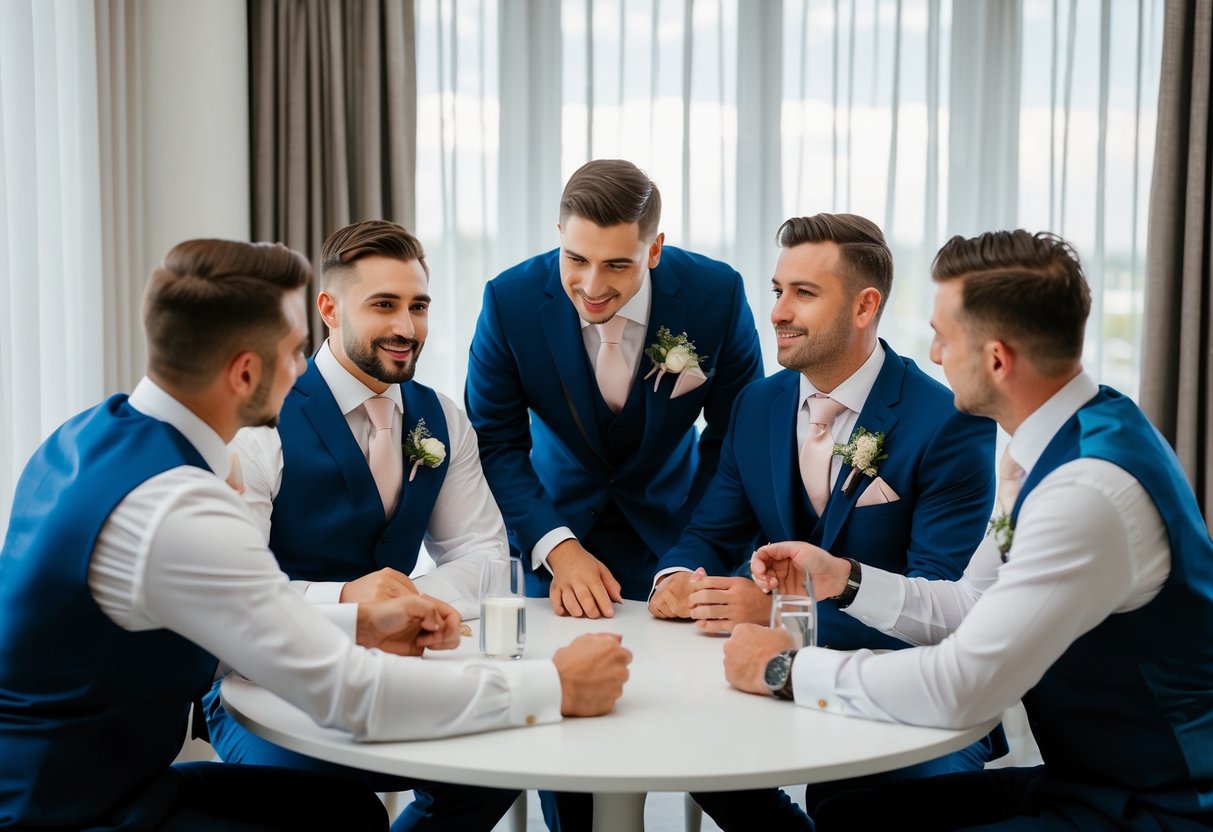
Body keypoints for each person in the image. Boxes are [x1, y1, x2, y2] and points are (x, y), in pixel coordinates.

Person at [0, 239, 632, 832]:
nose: (303, 368)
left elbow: (242, 614)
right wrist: (554, 685)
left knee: (347, 812)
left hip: (85, 779)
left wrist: (360, 622)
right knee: (343, 819)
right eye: (295, 351)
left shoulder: (85, 437)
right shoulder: (180, 507)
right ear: (245, 373)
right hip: (70, 811)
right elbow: (349, 694)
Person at [727, 229, 1213, 831]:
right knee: (848, 815)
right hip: (1088, 779)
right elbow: (970, 604)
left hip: (1164, 804)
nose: (933, 355)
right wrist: (844, 579)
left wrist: (784, 670)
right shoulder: (1063, 436)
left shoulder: (1086, 491)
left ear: (997, 360)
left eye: (943, 337)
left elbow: (962, 688)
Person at [647, 212, 1000, 829]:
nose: (778, 312)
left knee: (853, 810)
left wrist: (778, 615)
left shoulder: (949, 422)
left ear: (865, 306)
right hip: (773, 677)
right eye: (777, 291)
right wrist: (678, 578)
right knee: (691, 755)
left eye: (804, 294)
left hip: (906, 699)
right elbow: (710, 533)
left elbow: (940, 607)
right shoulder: (757, 405)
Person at [199, 220, 527, 830]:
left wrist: (410, 605)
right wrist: (350, 601)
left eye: (418, 307)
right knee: (337, 814)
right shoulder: (259, 420)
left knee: (500, 768)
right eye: (384, 305)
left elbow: (484, 556)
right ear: (329, 309)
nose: (407, 327)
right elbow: (228, 599)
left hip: (393, 677)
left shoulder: (442, 418)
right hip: (265, 686)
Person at [466, 159, 764, 616]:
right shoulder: (509, 303)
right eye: (576, 259)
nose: (592, 286)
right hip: (550, 542)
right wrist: (557, 546)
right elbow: (495, 444)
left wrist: (694, 553)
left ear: (654, 250)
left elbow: (737, 442)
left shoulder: (716, 297)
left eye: (617, 265)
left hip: (679, 540)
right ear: (559, 235)